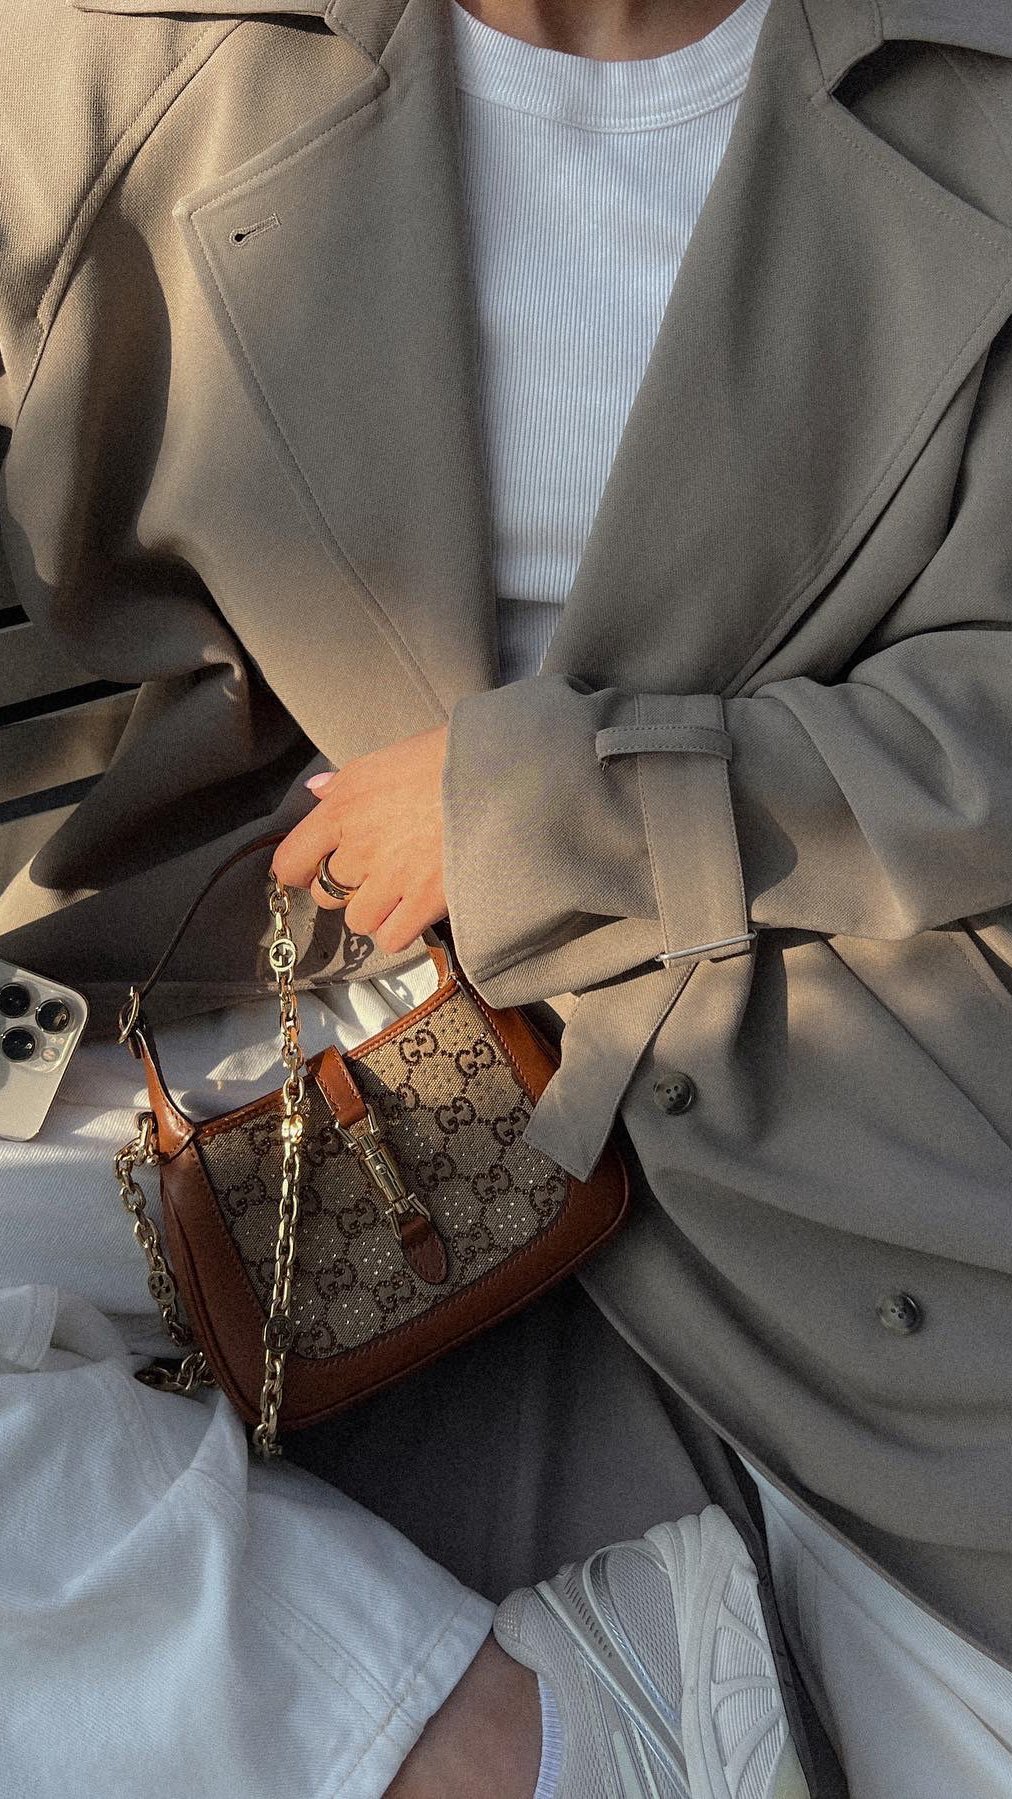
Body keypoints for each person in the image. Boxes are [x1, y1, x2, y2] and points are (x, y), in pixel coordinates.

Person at [2, 0, 1012, 1792]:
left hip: (833, 1048)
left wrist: (552, 809)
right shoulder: (145, 60)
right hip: (320, 1018)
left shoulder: (970, 88)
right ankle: (552, 1747)